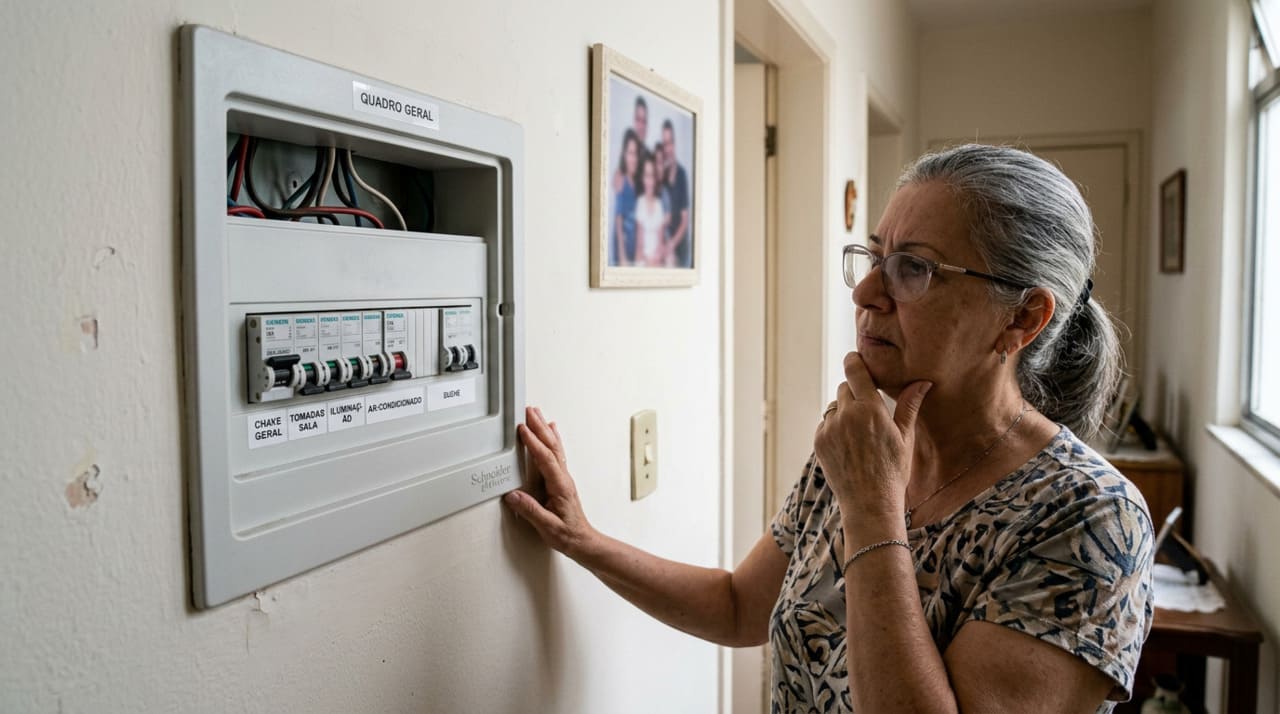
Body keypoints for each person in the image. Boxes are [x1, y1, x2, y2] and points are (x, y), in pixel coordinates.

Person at [508, 144, 1154, 713]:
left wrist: (872, 507)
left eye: (914, 268)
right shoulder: (860, 447)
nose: (867, 292)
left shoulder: (1090, 517)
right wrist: (583, 540)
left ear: (1022, 318)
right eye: (875, 257)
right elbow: (739, 607)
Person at [659, 120, 691, 268]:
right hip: (666, 251)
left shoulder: (682, 175)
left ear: (675, 144)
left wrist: (671, 244)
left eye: (670, 143)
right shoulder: (661, 176)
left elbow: (685, 221)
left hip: (681, 249)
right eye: (664, 144)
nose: (667, 148)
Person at [611, 129, 641, 266]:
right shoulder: (622, 182)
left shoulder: (637, 183)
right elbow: (618, 222)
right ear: (624, 155)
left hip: (634, 252)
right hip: (622, 252)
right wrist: (622, 257)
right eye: (630, 153)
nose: (633, 159)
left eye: (636, 154)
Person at [633, 155, 669, 267]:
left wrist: (656, 259)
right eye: (646, 176)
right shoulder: (640, 203)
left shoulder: (659, 205)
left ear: (655, 179)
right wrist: (647, 262)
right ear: (642, 179)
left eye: (652, 176)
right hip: (643, 257)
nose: (649, 181)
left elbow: (660, 242)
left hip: (656, 258)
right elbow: (639, 245)